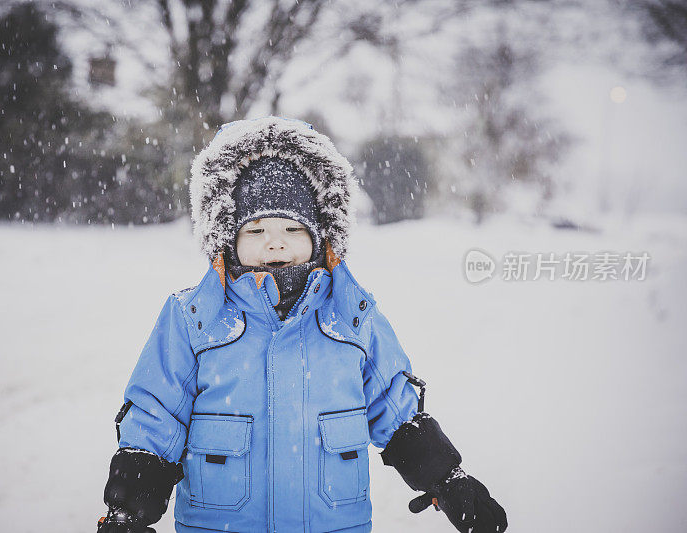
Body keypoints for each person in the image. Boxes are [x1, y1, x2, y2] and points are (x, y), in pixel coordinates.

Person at [96, 116, 507, 533]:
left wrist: (446, 478)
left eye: (293, 228)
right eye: (255, 229)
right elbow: (155, 416)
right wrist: (128, 511)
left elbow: (395, 410)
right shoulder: (194, 318)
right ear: (226, 237)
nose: (275, 242)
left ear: (321, 236)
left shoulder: (351, 317)